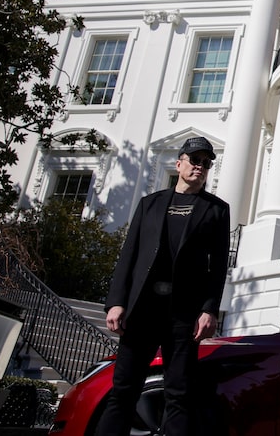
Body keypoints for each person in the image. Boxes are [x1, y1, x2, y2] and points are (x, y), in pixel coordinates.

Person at [96, 136, 231, 436]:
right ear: (179, 162)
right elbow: (129, 255)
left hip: (184, 316)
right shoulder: (150, 204)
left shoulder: (216, 210)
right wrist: (116, 301)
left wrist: (210, 309)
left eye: (207, 163)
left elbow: (218, 266)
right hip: (142, 310)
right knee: (123, 390)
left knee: (179, 394)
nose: (201, 167)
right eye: (195, 160)